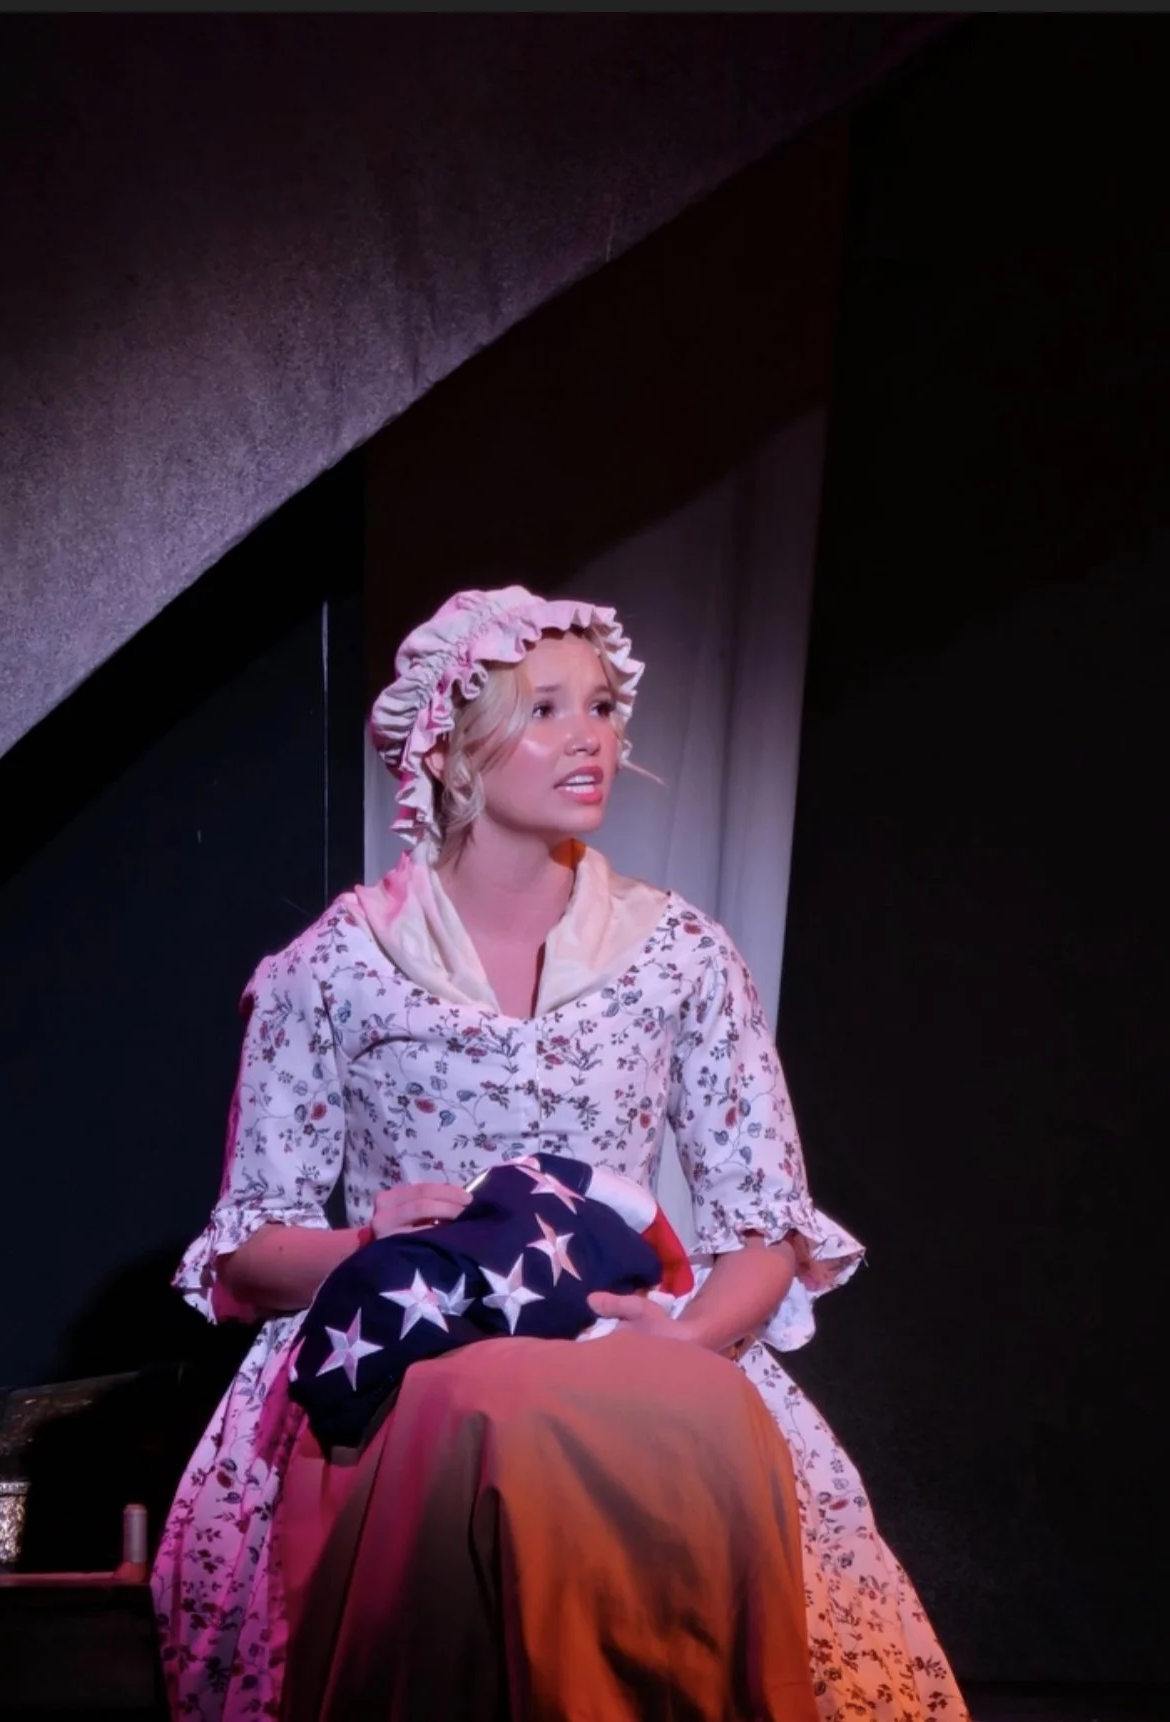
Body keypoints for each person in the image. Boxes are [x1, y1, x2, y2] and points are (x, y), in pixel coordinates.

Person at [152, 586, 968, 1722]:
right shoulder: (335, 965)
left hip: (625, 1350)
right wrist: (365, 1241)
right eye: (542, 709)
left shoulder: (679, 955)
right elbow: (247, 1249)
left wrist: (688, 1339)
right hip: (400, 1344)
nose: (590, 735)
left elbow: (765, 1223)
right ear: (450, 751)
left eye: (600, 707)